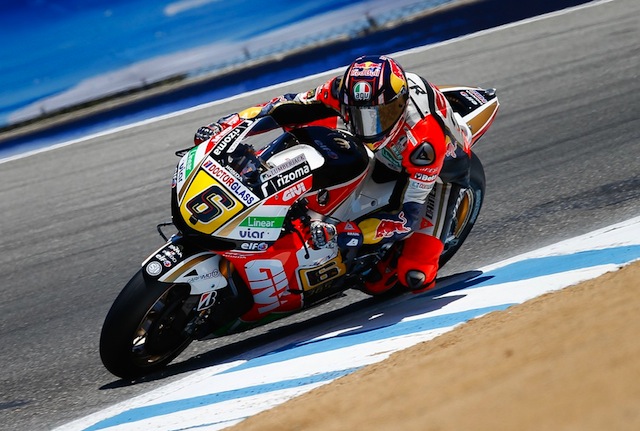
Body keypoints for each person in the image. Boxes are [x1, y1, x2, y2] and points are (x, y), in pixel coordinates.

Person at [193, 55, 472, 294]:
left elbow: (406, 220)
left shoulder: (424, 142)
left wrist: (348, 233)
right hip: (383, 151)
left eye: (379, 116)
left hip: (438, 174)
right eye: (359, 114)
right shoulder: (341, 90)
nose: (369, 126)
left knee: (415, 274)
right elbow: (286, 105)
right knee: (305, 124)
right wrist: (229, 125)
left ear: (399, 105)